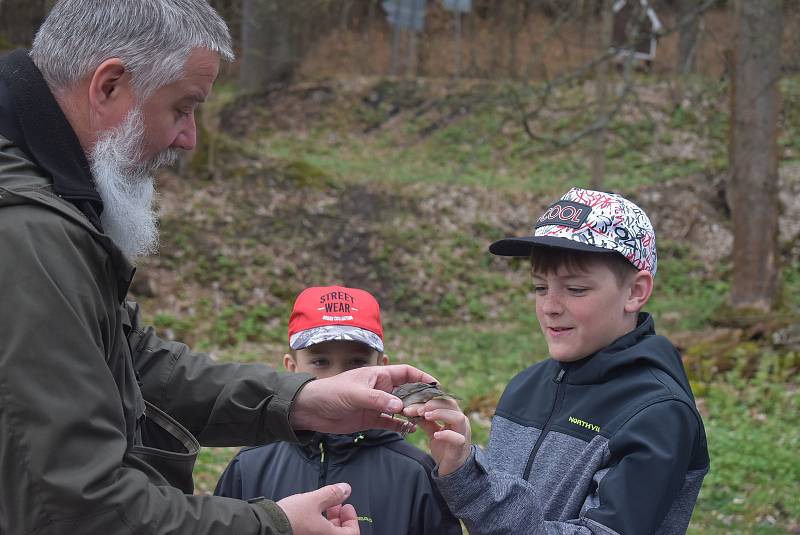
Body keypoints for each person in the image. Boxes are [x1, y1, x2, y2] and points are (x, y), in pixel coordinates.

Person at [0, 2, 435, 534]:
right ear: (109, 86)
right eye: (183, 108)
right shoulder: (27, 235)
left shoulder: (50, 207)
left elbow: (131, 360)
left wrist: (301, 401)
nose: (190, 138)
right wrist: (273, 526)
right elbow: (74, 508)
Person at [408, 188, 710, 534]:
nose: (550, 306)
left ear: (635, 292)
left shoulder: (656, 413)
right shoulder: (526, 386)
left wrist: (475, 491)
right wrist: (460, 466)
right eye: (539, 288)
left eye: (575, 289)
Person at [215, 285, 463, 535]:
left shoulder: (414, 472)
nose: (340, 379)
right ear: (290, 369)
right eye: (320, 362)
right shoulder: (249, 467)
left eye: (357, 362)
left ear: (381, 367)